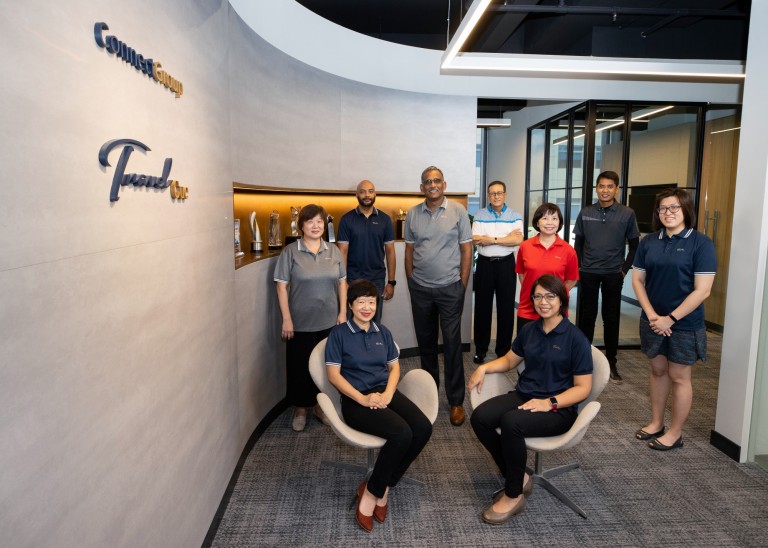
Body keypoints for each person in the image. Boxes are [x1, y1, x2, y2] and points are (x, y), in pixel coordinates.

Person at [469, 274, 593, 524]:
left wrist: (549, 403)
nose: (543, 302)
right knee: (480, 418)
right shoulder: (530, 330)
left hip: (559, 409)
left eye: (550, 296)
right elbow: (509, 360)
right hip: (525, 395)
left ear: (561, 300)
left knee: (511, 422)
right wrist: (484, 368)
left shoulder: (575, 339)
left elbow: (583, 388)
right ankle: (519, 476)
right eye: (538, 296)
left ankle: (513, 495)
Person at [325, 280, 432, 533]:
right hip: (356, 399)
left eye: (371, 302)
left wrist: (388, 393)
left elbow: (394, 367)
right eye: (361, 302)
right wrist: (363, 399)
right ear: (350, 305)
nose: (367, 307)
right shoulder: (338, 334)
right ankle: (373, 495)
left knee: (423, 428)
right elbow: (333, 376)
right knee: (402, 433)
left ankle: (382, 484)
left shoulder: (382, 331)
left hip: (384, 392)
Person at [631, 188, 716, 451]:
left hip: (684, 323)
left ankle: (676, 433)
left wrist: (671, 318)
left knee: (679, 376)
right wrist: (653, 315)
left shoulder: (700, 243)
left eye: (674, 208)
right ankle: (657, 422)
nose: (668, 213)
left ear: (686, 210)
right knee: (657, 371)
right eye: (663, 209)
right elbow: (637, 280)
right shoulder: (649, 242)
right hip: (653, 320)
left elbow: (703, 290)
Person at [405, 166, 473, 426]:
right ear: (421, 187)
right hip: (420, 289)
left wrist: (461, 285)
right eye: (427, 182)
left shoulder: (458, 211)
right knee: (426, 346)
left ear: (443, 184)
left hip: (450, 289)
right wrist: (411, 282)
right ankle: (429, 395)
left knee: (453, 346)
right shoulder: (413, 214)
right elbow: (409, 252)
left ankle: (456, 402)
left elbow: (467, 250)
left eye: (436, 181)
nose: (432, 185)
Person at [274, 204, 347, 432]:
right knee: (299, 367)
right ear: (301, 225)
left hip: (330, 322)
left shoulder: (333, 251)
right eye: (310, 222)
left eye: (319, 222)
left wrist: (343, 313)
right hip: (301, 323)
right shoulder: (290, 252)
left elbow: (342, 283)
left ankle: (320, 406)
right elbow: (281, 286)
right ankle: (301, 409)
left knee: (327, 367)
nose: (315, 226)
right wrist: (286, 318)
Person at [574, 171, 640, 384]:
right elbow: (579, 244)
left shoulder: (627, 214)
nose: (605, 190)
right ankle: (585, 362)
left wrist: (623, 270)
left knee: (611, 319)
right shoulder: (585, 212)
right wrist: (580, 267)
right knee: (587, 317)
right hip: (589, 273)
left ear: (617, 189)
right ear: (596, 188)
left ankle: (611, 362)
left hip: (613, 273)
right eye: (601, 186)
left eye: (609, 186)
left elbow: (635, 246)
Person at [471, 181, 523, 364]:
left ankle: (503, 350)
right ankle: (481, 349)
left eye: (499, 193)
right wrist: (504, 239)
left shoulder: (514, 215)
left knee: (506, 308)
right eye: (492, 193)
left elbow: (517, 240)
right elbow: (476, 239)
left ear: (505, 194)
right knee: (482, 308)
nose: (496, 196)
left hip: (506, 264)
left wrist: (491, 240)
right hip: (485, 265)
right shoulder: (480, 214)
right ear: (488, 195)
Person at [337, 180, 396, 324]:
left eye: (370, 191)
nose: (367, 195)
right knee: (352, 322)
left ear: (375, 194)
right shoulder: (346, 220)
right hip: (353, 279)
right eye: (362, 191)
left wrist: (391, 282)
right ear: (357, 195)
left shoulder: (385, 220)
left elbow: (390, 252)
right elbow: (342, 252)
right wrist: (343, 281)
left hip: (377, 280)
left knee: (374, 321)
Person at [515, 203, 579, 333]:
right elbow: (522, 274)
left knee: (554, 349)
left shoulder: (568, 250)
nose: (550, 222)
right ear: (537, 222)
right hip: (528, 308)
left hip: (555, 310)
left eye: (554, 218)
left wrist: (554, 295)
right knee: (526, 348)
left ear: (559, 223)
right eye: (545, 218)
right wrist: (536, 293)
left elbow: (572, 279)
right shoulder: (525, 247)